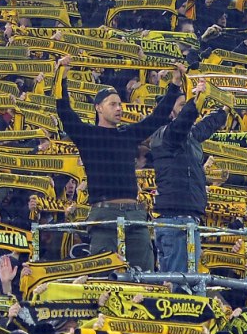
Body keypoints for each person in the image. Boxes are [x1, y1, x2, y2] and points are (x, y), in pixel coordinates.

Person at [54, 57, 184, 272]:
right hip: (105, 215)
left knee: (145, 274)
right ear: (98, 108)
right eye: (112, 104)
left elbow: (158, 117)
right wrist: (63, 76)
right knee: (103, 274)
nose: (119, 108)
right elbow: (64, 111)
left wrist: (175, 83)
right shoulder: (87, 135)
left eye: (120, 104)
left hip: (134, 213)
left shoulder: (127, 134)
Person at [149, 79, 228, 277]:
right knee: (179, 285)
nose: (188, 109)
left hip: (186, 219)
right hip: (175, 222)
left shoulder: (188, 137)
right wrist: (196, 100)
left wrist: (224, 111)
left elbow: (204, 126)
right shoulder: (165, 135)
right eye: (182, 105)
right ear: (169, 112)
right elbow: (184, 122)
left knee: (184, 282)